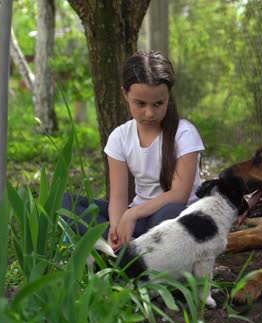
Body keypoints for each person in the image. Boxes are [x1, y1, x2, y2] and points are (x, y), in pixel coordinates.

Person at [62, 51, 205, 251]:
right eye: (140, 103)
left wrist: (132, 215)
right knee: (65, 203)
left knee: (171, 212)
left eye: (158, 104)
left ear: (168, 97)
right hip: (139, 222)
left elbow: (179, 195)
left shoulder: (184, 134)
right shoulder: (120, 137)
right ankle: (127, 251)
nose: (149, 112)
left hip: (176, 221)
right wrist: (116, 227)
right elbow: (119, 196)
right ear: (125, 94)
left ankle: (124, 256)